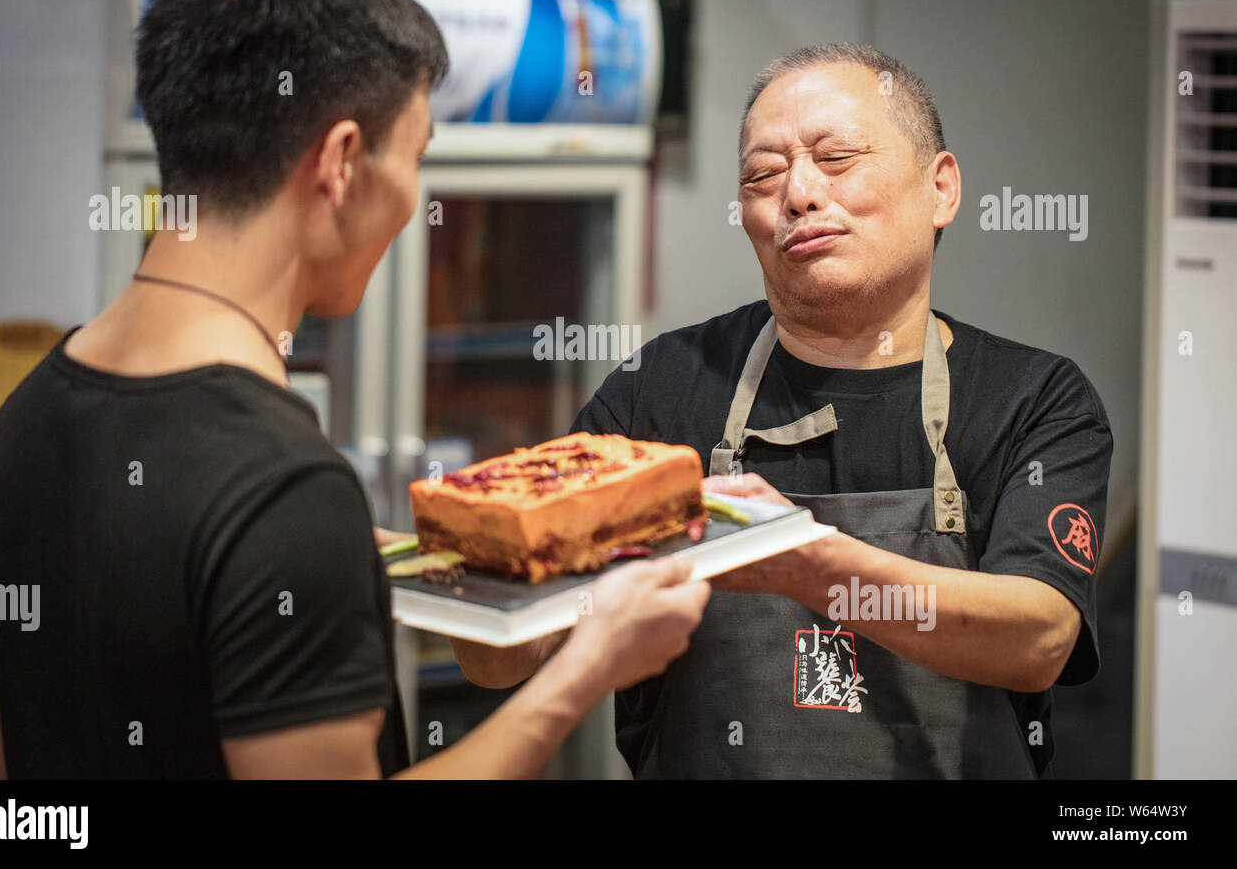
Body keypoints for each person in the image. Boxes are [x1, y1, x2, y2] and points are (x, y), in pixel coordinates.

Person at [0, 0, 709, 779]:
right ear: (343, 162)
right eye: (418, 157)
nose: (414, 202)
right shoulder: (284, 485)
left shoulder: (22, 419)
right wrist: (588, 667)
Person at [452, 43, 1113, 778]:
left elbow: (1040, 638)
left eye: (836, 159)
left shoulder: (1033, 400)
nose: (797, 193)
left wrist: (802, 561)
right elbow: (504, 658)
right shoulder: (660, 390)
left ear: (942, 189)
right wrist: (467, 577)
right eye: (764, 175)